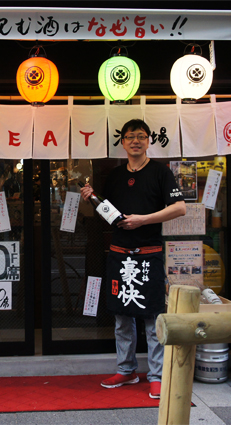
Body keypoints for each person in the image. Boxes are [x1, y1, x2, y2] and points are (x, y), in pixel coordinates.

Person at [80, 118, 186, 399]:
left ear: (148, 140)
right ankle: (126, 370)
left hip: (149, 253)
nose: (135, 141)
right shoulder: (115, 176)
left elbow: (180, 208)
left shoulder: (160, 172)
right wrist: (91, 198)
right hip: (119, 253)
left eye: (140, 136)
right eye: (130, 137)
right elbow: (108, 213)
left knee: (153, 318)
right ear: (123, 142)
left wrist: (144, 220)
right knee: (122, 318)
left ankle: (157, 375)